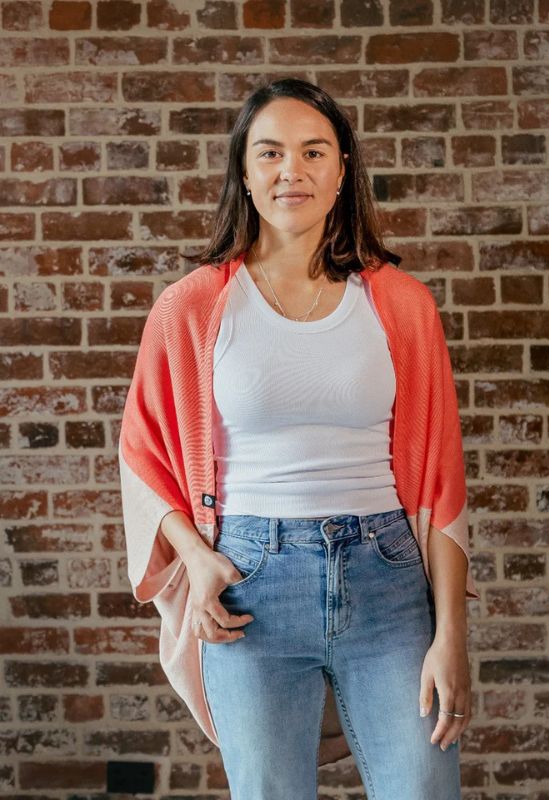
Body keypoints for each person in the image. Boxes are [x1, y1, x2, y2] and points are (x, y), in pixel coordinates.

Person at [118, 77, 479, 800]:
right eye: (271, 153)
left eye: (314, 151)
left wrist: (453, 635)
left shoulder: (402, 305)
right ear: (245, 175)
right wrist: (197, 557)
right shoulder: (191, 308)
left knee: (423, 788)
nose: (293, 171)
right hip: (251, 582)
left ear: (343, 168)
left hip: (388, 581)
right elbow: (142, 455)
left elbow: (441, 482)